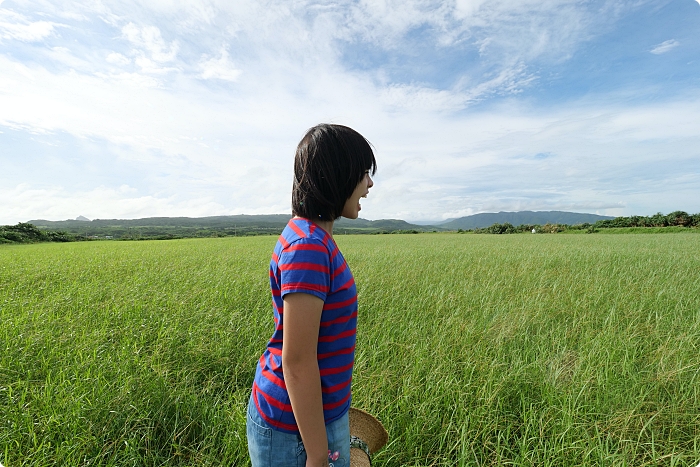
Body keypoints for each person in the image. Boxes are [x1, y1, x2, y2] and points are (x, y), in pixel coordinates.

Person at [247, 124, 377, 467]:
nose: (369, 184)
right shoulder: (308, 246)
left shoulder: (312, 237)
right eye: (364, 173)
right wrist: (318, 455)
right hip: (296, 430)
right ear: (338, 174)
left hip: (311, 419)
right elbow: (298, 361)